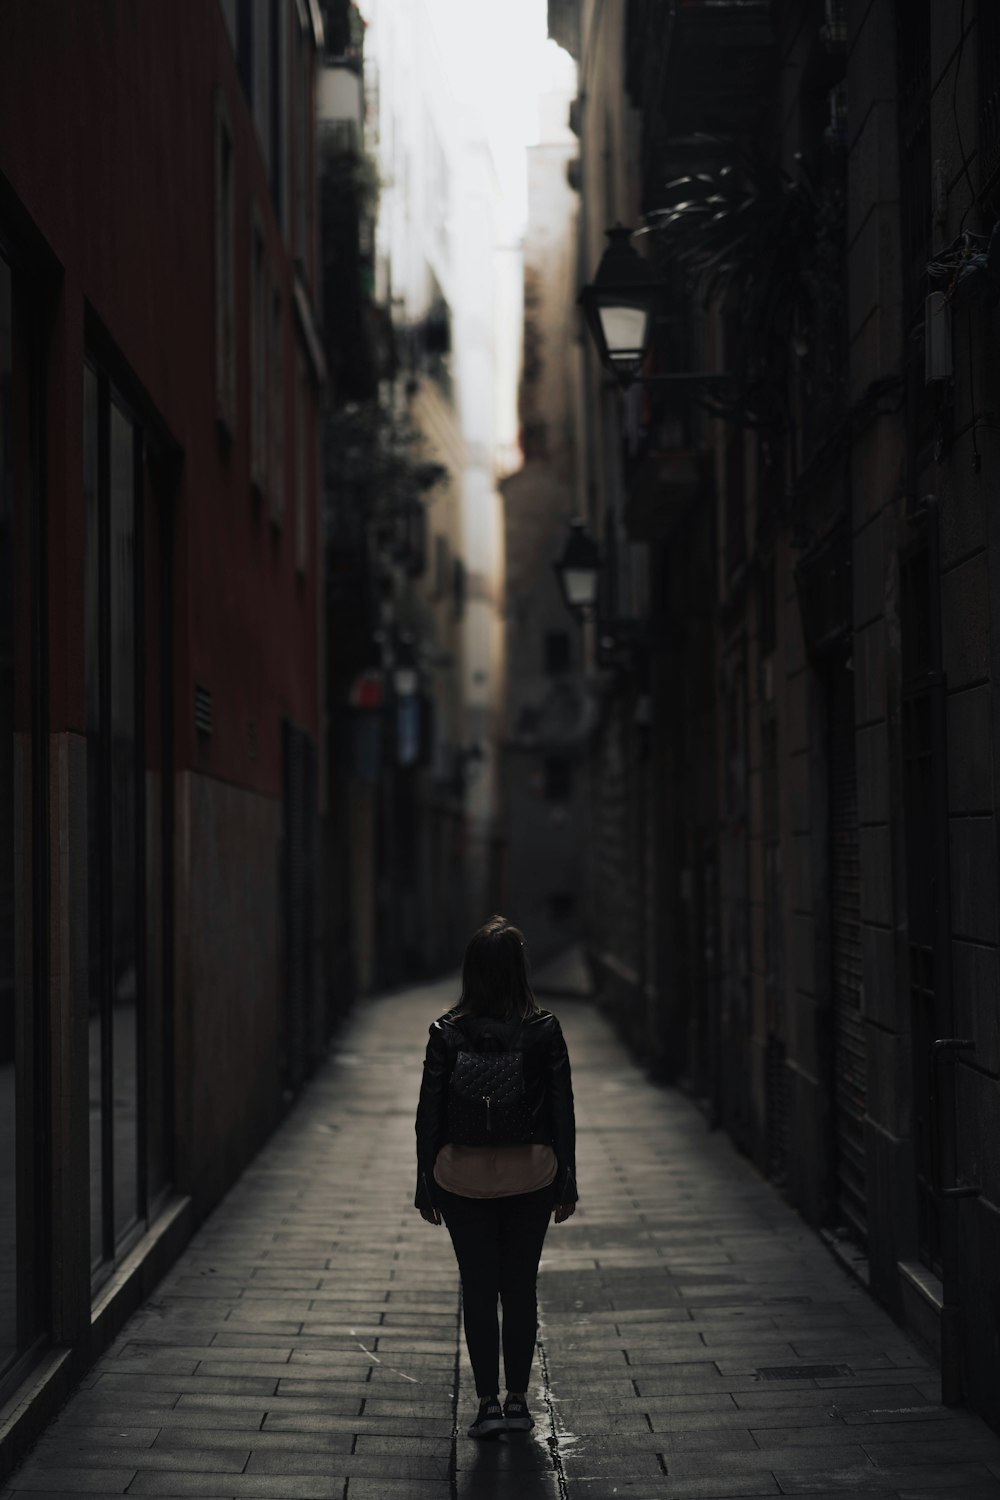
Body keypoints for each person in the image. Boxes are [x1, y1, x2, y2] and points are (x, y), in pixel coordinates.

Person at [415, 915, 578, 1439]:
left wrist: (425, 1181)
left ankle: (486, 1404)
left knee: (479, 1290)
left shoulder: (446, 1032)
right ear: (519, 970)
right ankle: (518, 1402)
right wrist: (567, 1180)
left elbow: (430, 1113)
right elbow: (561, 1111)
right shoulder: (544, 1030)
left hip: (460, 1179)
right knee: (520, 1289)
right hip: (531, 1177)